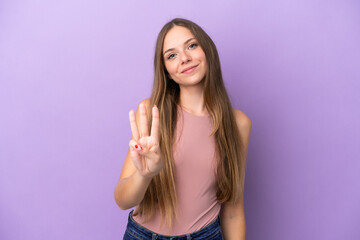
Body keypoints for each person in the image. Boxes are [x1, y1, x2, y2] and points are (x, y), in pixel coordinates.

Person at [114, 18, 251, 240]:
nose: (185, 58)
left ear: (207, 50)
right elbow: (122, 200)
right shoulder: (150, 112)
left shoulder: (238, 124)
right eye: (172, 55)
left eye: (191, 45)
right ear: (167, 71)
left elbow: (233, 212)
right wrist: (144, 174)